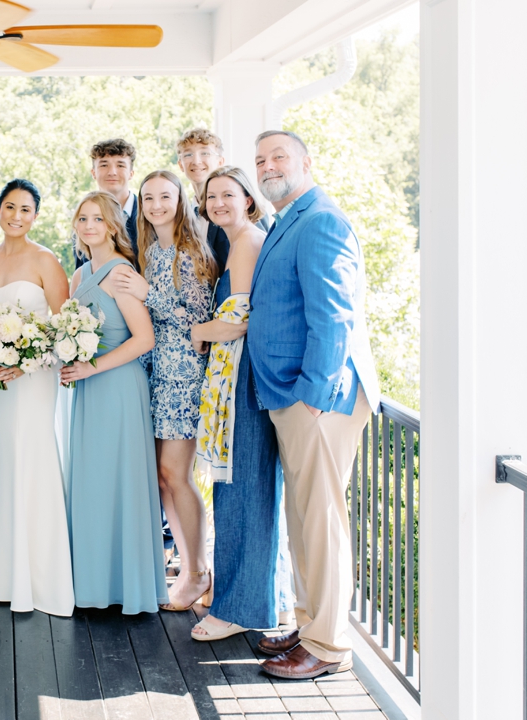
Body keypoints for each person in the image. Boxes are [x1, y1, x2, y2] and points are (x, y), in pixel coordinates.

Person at [248, 131, 379, 679]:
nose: (268, 166)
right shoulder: (288, 219)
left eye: (279, 156)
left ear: (306, 161)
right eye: (260, 160)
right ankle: (308, 623)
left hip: (318, 401)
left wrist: (316, 396)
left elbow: (334, 316)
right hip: (293, 395)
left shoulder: (321, 219)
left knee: (320, 522)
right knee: (303, 519)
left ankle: (327, 647)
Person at [0, 179, 74, 617]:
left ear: (35, 216)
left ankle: (35, 579)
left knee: (29, 458)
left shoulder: (47, 261)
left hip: (32, 380)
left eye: (25, 209)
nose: (16, 216)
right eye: (9, 207)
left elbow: (63, 330)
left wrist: (26, 362)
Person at [113, 170, 217, 613]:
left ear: (180, 201)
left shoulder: (190, 252)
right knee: (161, 477)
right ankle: (188, 567)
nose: (156, 205)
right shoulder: (151, 251)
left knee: (177, 474)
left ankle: (198, 571)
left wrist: (147, 293)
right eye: (149, 197)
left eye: (166, 196)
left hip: (183, 375)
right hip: (155, 373)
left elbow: (196, 322)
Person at [187, 166, 282, 641]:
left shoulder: (246, 241)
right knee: (246, 489)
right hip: (238, 374)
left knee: (239, 490)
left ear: (248, 198)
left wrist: (198, 332)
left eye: (229, 194)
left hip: (242, 378)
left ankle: (237, 609)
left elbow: (238, 320)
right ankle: (264, 599)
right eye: (211, 196)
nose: (219, 202)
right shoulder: (240, 239)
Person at [62, 191, 165, 614]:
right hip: (88, 388)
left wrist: (93, 366)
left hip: (118, 386)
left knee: (118, 480)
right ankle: (91, 583)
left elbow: (145, 339)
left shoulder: (121, 272)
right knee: (92, 482)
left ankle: (127, 587)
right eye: (82, 219)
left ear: (112, 226)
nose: (89, 226)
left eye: (97, 219)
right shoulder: (79, 273)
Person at [176, 128, 271, 272]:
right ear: (180, 164)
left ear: (220, 161)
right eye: (188, 154)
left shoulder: (241, 208)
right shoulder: (183, 215)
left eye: (205, 153)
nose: (196, 161)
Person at [73, 139, 140, 270]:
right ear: (93, 173)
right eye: (104, 165)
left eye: (120, 165)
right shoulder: (83, 219)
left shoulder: (150, 215)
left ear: (131, 173)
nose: (112, 172)